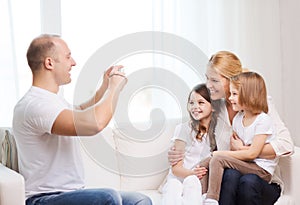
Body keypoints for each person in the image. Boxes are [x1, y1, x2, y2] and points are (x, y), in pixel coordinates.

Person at [12, 34, 152, 205]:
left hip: (72, 194)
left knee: (140, 200)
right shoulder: (34, 105)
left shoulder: (52, 100)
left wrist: (105, 86)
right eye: (68, 56)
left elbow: (81, 111)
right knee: (108, 198)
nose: (73, 63)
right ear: (49, 63)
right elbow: (94, 123)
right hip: (44, 199)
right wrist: (114, 88)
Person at [168, 51, 294, 205]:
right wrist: (177, 151)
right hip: (231, 176)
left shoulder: (259, 104)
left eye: (214, 80)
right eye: (207, 78)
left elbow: (286, 145)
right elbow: (193, 129)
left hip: (260, 181)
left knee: (247, 181)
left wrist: (246, 149)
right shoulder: (216, 107)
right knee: (229, 175)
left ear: (232, 80)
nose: (208, 85)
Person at [200, 72, 278, 205]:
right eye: (230, 94)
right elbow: (235, 154)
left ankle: (211, 200)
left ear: (248, 95)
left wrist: (221, 153)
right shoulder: (238, 119)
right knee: (206, 162)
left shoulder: (262, 120)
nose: (230, 98)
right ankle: (201, 195)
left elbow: (252, 153)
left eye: (234, 94)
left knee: (217, 158)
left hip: (261, 169)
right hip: (247, 164)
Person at [162, 84, 217, 205]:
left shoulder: (217, 132)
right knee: (174, 185)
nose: (195, 107)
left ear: (213, 107)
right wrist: (193, 173)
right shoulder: (183, 129)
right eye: (191, 103)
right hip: (179, 178)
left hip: (197, 182)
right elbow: (176, 169)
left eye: (201, 102)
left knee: (193, 184)